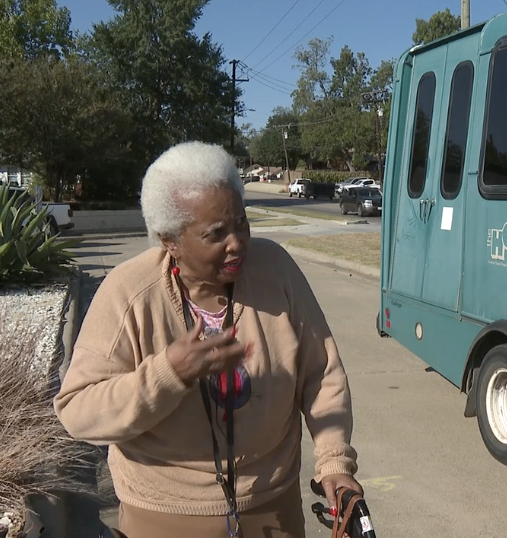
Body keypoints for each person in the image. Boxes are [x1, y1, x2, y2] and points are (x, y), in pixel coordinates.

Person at [54, 141, 362, 538]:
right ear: (170, 240)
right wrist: (168, 374)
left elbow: (322, 374)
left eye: (241, 223)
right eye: (216, 233)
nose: (237, 243)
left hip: (274, 508)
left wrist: (335, 461)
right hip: (165, 516)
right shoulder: (128, 293)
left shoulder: (276, 271)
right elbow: (78, 410)